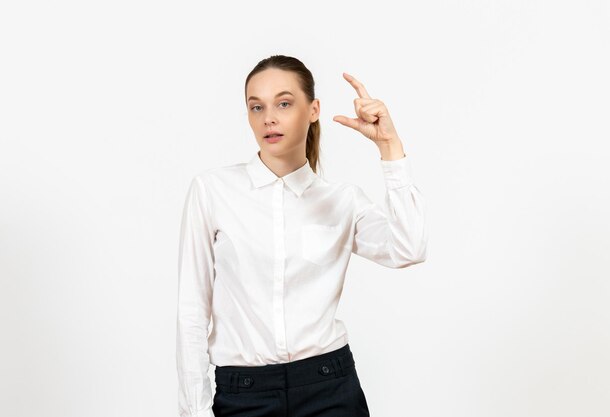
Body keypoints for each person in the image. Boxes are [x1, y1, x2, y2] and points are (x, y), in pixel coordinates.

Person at [176, 54, 428, 417]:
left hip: (329, 388)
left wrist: (389, 147)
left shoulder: (342, 200)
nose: (269, 118)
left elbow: (410, 248)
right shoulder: (212, 191)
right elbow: (192, 313)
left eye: (284, 103)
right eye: (256, 107)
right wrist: (195, 411)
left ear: (313, 110)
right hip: (244, 394)